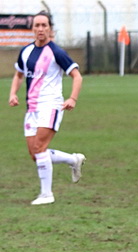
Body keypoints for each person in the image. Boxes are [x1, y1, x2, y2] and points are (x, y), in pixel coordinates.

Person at [8, 10, 86, 205]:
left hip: (51, 105)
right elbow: (18, 74)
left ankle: (46, 194)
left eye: (44, 25)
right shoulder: (26, 51)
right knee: (35, 154)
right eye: (37, 25)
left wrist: (73, 99)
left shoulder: (56, 52)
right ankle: (72, 160)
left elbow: (77, 75)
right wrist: (13, 94)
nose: (41, 29)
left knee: (40, 147)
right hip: (31, 108)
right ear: (32, 29)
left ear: (50, 29)